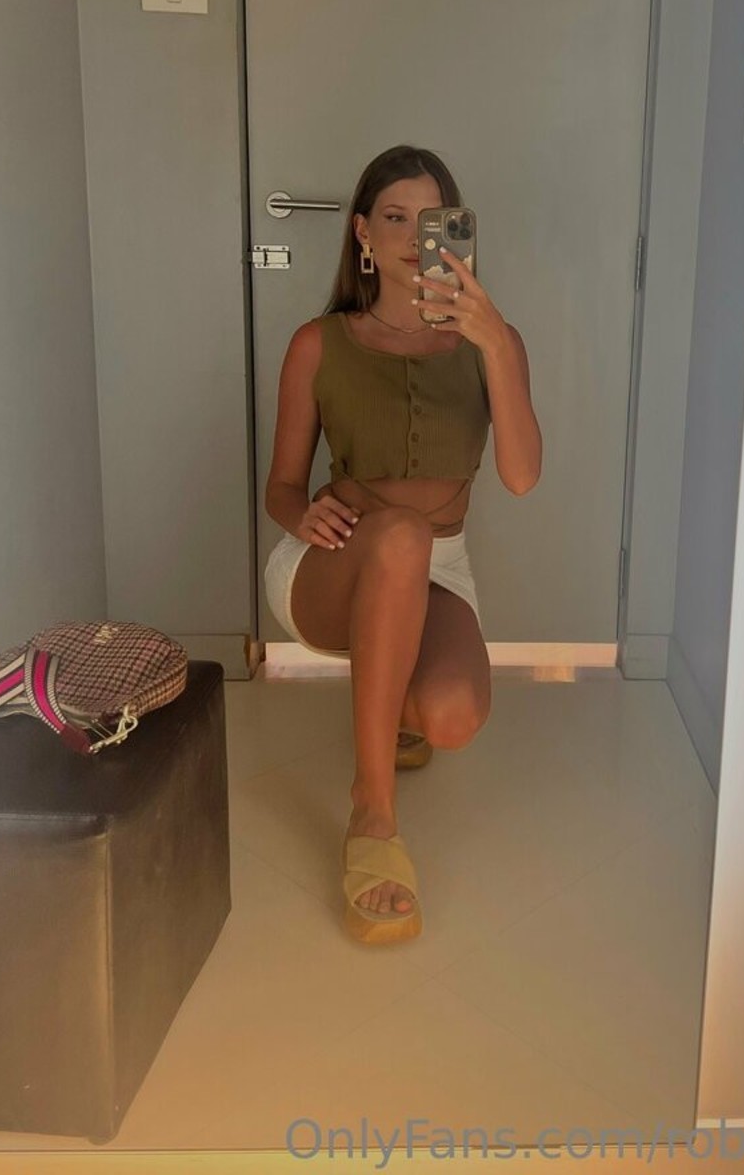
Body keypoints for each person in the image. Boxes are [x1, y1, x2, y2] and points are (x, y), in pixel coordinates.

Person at [263, 145, 542, 944]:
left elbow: (522, 476)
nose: (415, 237)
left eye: (433, 220)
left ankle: (398, 708)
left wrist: (495, 344)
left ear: (456, 232)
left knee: (453, 714)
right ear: (362, 232)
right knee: (399, 537)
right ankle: (372, 810)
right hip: (334, 566)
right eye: (394, 217)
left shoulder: (493, 343)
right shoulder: (318, 343)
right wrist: (301, 518)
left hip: (437, 568)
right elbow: (282, 486)